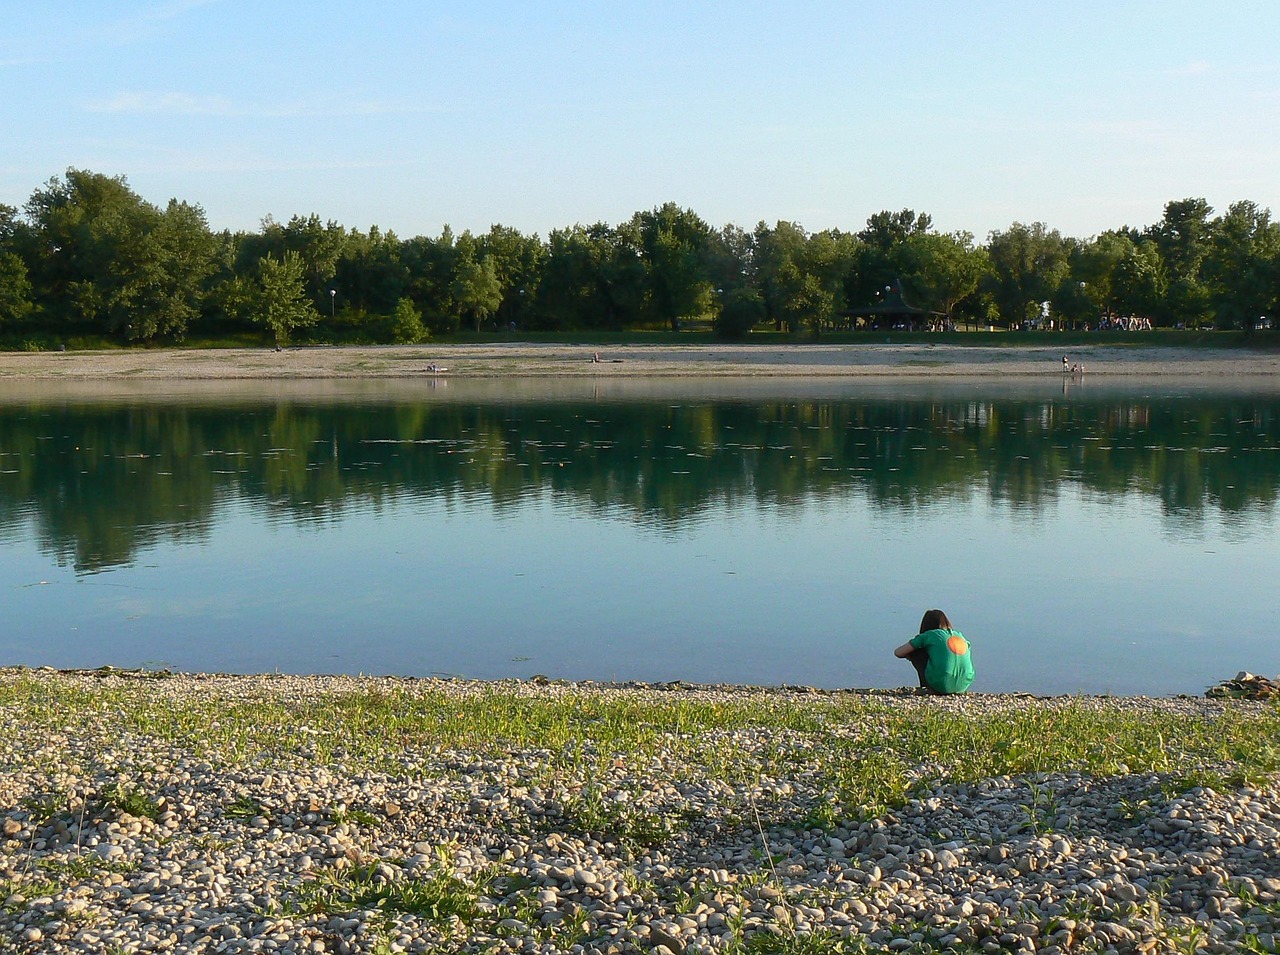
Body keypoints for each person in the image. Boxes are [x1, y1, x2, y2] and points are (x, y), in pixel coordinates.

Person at [894, 609, 974, 694]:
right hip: (963, 685)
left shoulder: (929, 635)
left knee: (916, 652)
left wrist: (910, 655)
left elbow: (898, 652)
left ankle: (928, 687)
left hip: (941, 683)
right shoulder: (960, 636)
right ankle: (953, 685)